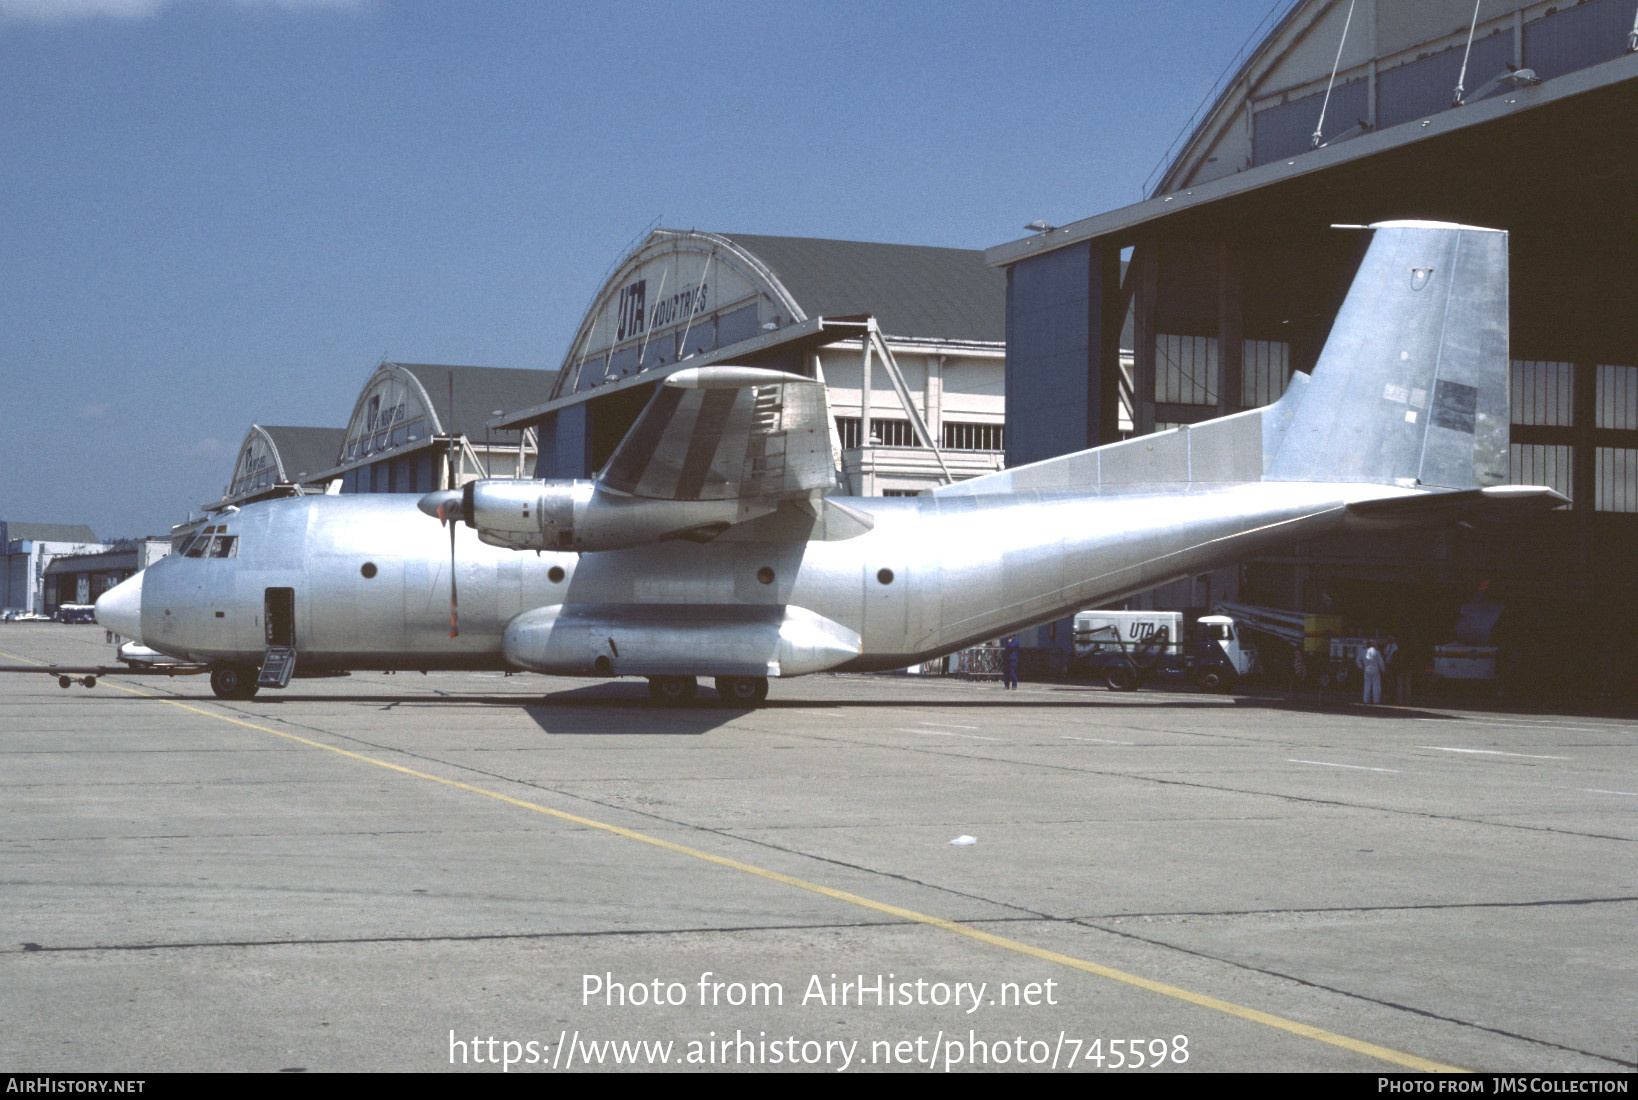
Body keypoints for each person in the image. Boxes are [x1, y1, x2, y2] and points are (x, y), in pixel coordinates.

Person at [1358, 638, 1385, 704]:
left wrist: (1361, 666)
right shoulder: (1377, 652)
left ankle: (1365, 700)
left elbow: (1358, 660)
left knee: (1367, 684)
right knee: (1376, 684)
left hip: (1366, 668)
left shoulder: (1363, 652)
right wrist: (1383, 670)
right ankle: (1376, 700)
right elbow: (1381, 662)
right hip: (1375, 668)